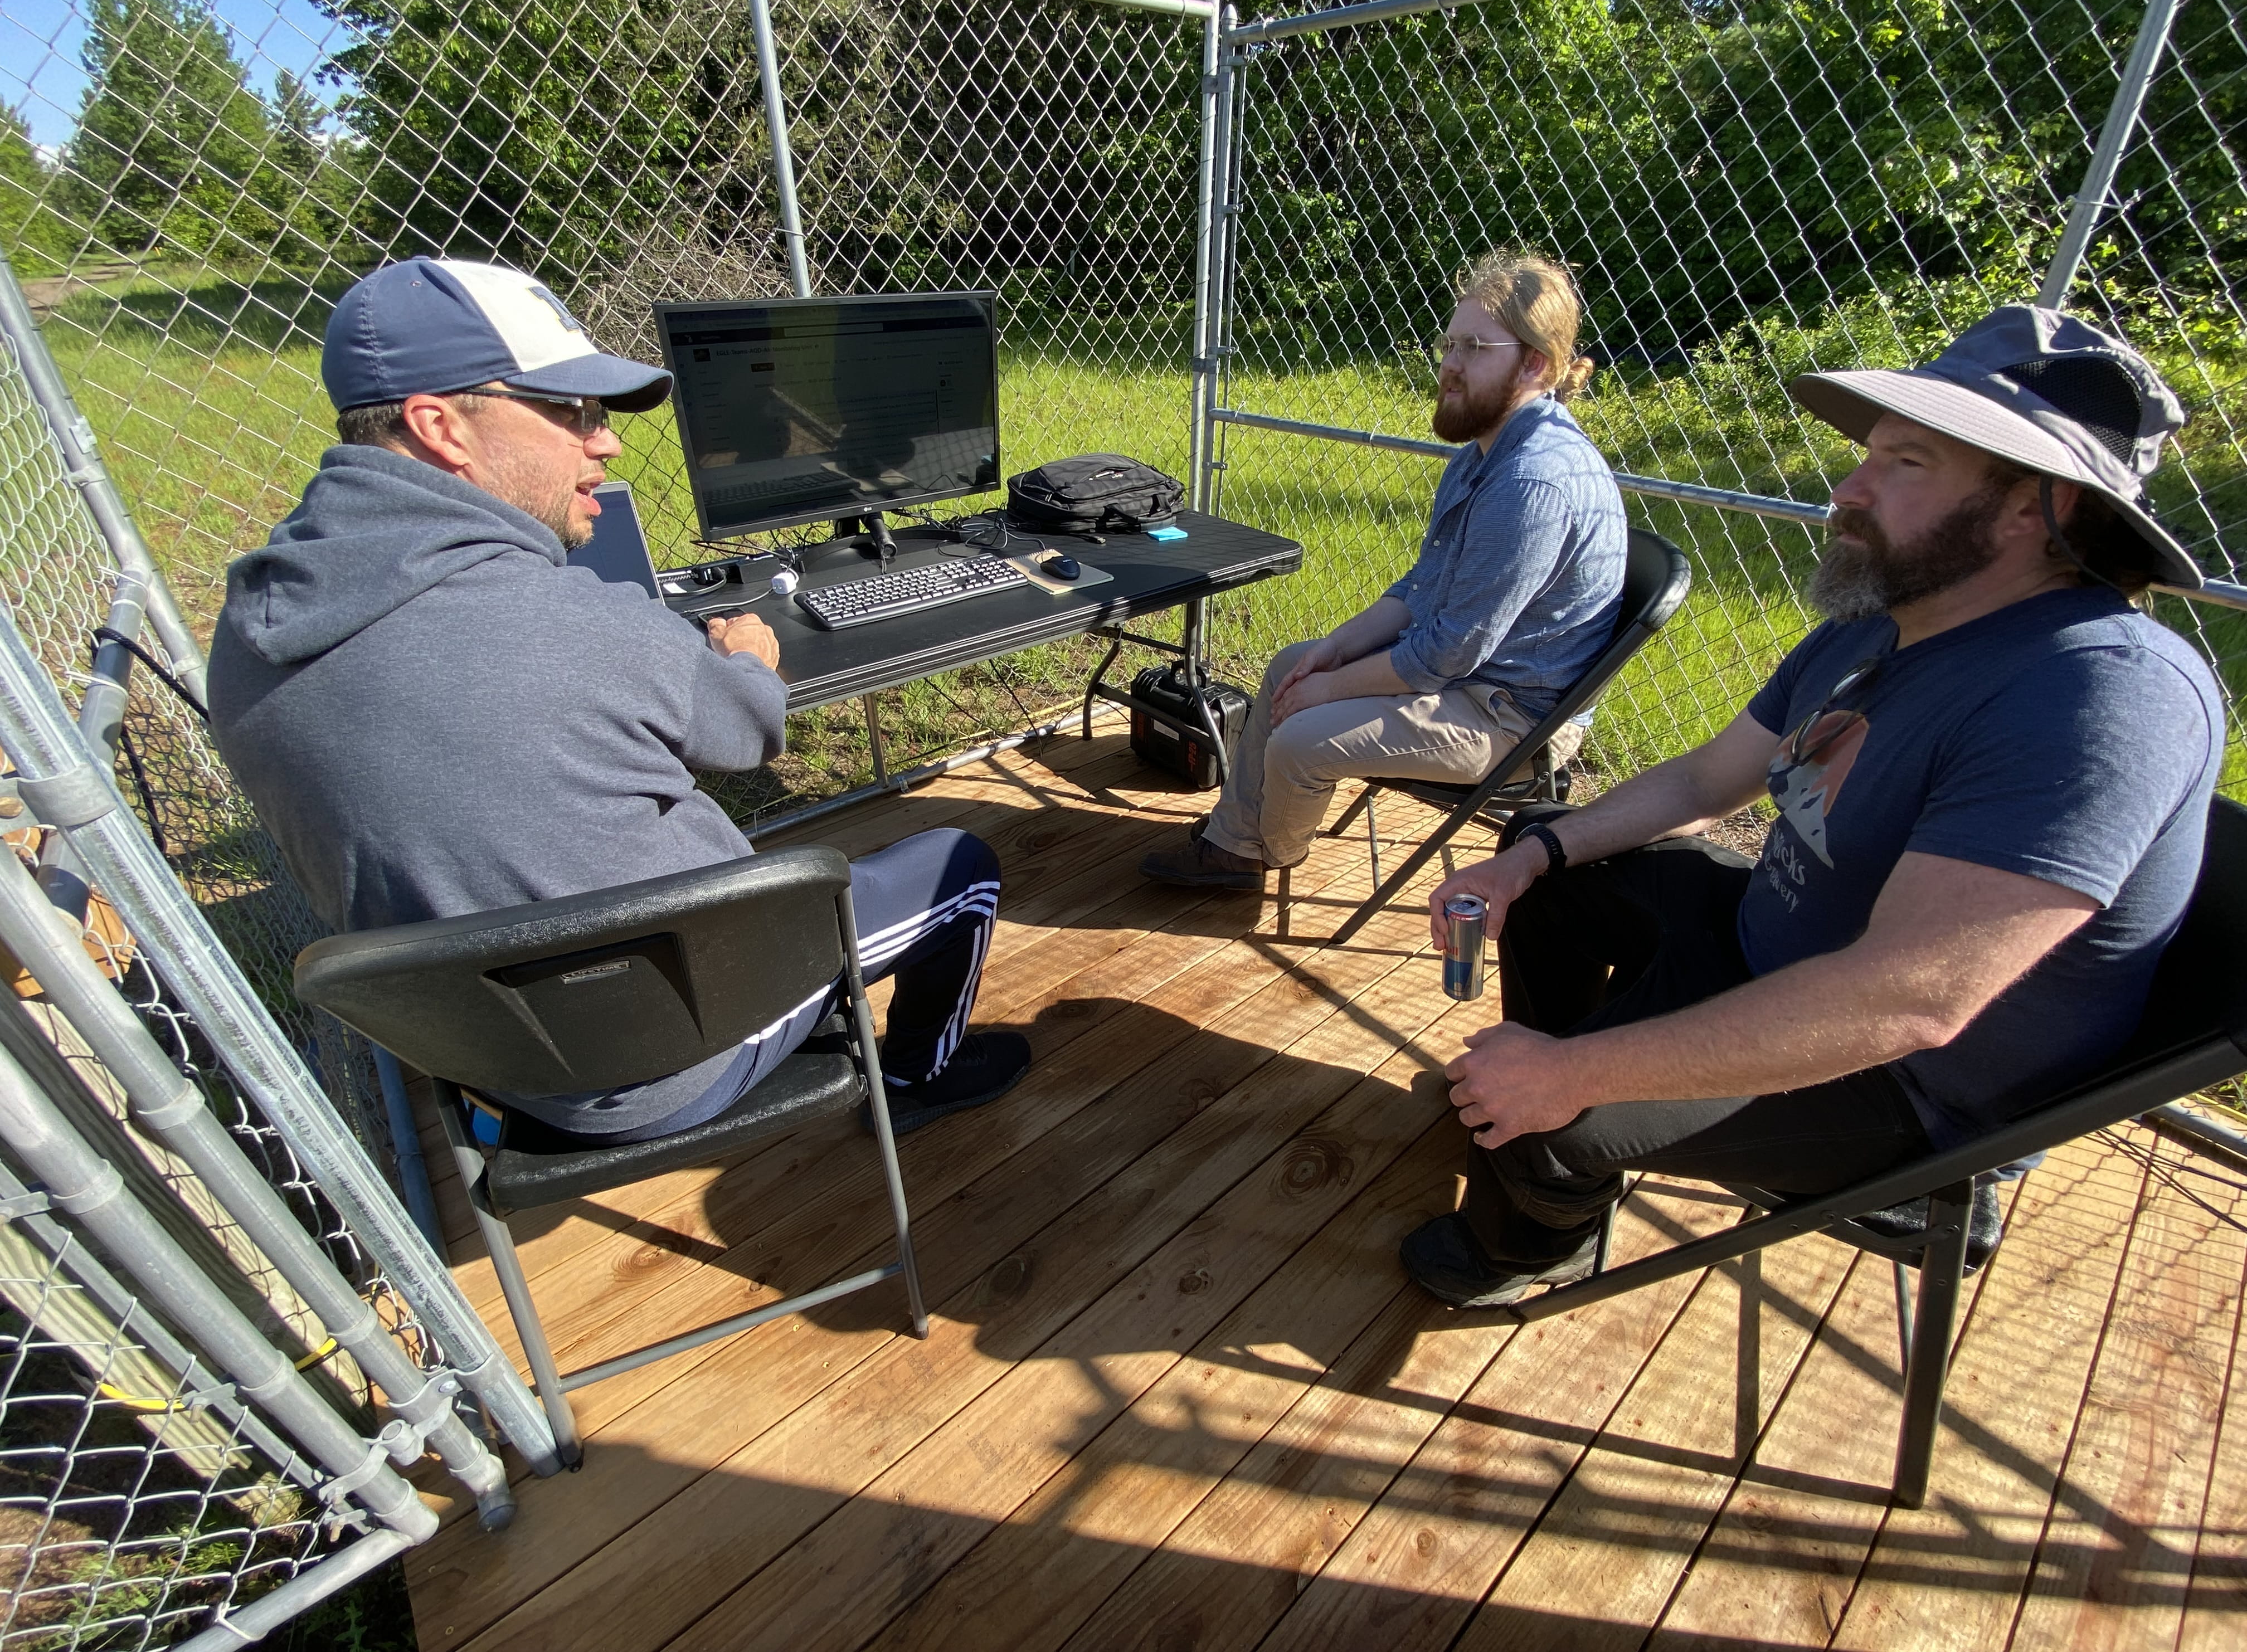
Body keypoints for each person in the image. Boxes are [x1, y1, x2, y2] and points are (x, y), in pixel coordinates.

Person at [1402, 304, 2223, 1307]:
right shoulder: (1888, 619)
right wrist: (1529, 858)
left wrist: (1576, 1077)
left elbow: (1910, 998)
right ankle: (1552, 1110)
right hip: (1777, 943)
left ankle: (1534, 1231)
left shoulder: (2099, 695)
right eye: (1869, 454)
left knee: (1550, 1117)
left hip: (1910, 1088)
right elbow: (1706, 781)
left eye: (1907, 464)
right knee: (1548, 876)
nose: (1847, 492)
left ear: (2035, 507)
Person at [207, 257, 1030, 1144]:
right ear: (440, 426)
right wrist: (751, 652)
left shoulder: (248, 631)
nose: (605, 442)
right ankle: (916, 1077)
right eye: (571, 411)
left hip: (478, 1053)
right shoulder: (577, 623)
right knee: (961, 867)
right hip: (665, 1054)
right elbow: (751, 730)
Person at [1140, 250, 1628, 889]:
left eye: (1475, 347)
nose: (1450, 366)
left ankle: (1266, 854)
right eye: (1449, 343)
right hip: (1468, 679)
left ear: (1535, 363)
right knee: (1292, 663)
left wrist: (1330, 691)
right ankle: (1234, 843)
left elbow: (1447, 654)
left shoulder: (1533, 482)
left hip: (1513, 719)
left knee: (1299, 737)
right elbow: (1420, 592)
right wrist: (1333, 654)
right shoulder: (1485, 451)